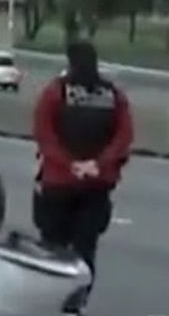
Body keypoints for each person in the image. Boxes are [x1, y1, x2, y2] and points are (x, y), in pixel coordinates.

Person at [32, 40, 135, 276]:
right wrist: (98, 164)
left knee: (53, 245)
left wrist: (70, 164)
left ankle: (53, 296)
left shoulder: (55, 91)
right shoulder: (113, 95)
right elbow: (124, 136)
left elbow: (44, 133)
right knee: (86, 247)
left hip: (58, 181)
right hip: (98, 182)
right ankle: (78, 299)